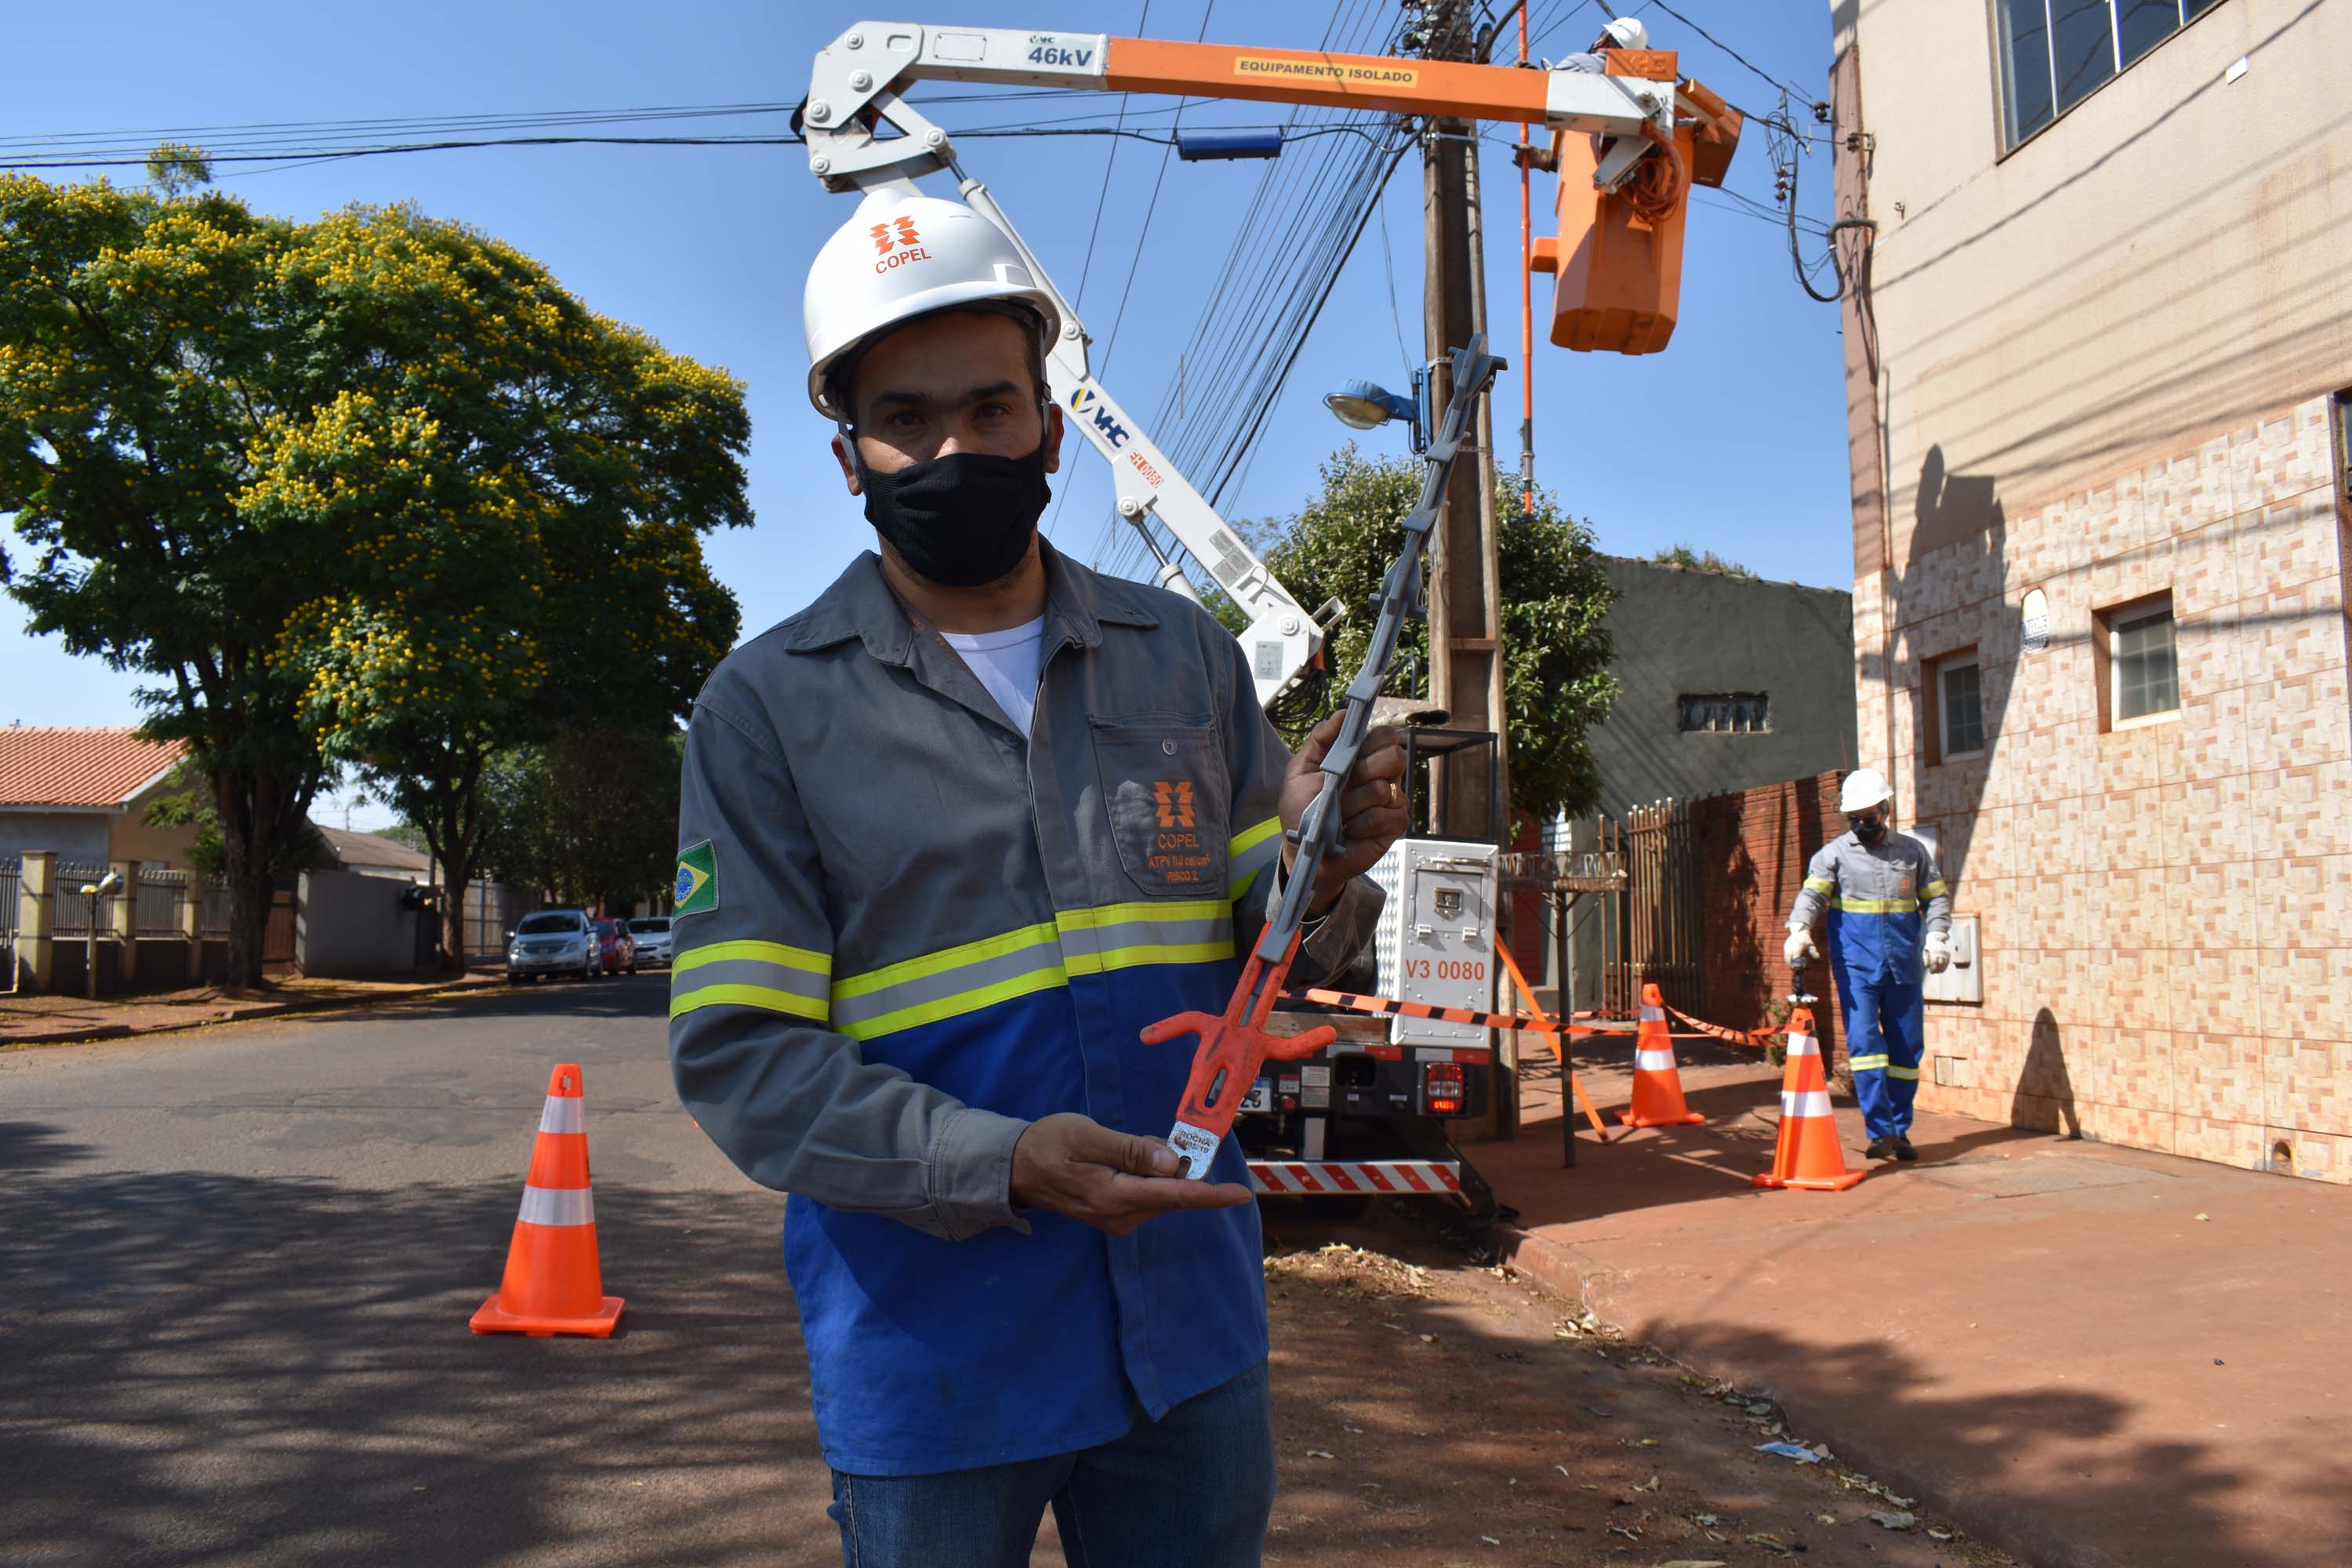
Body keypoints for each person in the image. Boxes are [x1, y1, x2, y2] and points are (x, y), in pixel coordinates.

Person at [668, 187, 1410, 1568]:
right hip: (936, 1350)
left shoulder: (1183, 658)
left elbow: (1288, 943)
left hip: (1187, 1331)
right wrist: (1002, 1163)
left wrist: (1322, 854)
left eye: (991, 410)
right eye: (908, 418)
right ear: (850, 458)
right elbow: (743, 1058)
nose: (956, 446)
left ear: (1052, 430)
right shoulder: (766, 711)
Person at [1784, 768, 1952, 1161]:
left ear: (1886, 809)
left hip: (1904, 965)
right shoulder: (1834, 856)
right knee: (1864, 1045)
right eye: (1855, 819)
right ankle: (1879, 1130)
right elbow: (1812, 896)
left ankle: (1899, 1130)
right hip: (1857, 965)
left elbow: (1937, 899)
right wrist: (1798, 928)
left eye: (1870, 817)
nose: (1862, 825)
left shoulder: (1912, 852)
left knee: (1907, 1051)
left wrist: (1939, 935)